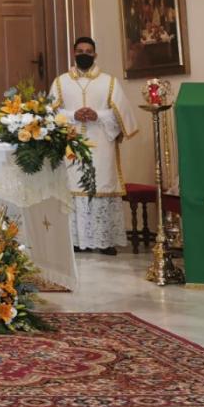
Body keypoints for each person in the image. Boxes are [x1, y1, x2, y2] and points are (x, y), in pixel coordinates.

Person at [49, 37, 138, 254]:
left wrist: (97, 114)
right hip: (71, 144)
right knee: (74, 188)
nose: (84, 55)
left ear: (95, 55)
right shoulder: (61, 82)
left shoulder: (109, 82)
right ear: (73, 53)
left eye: (89, 51)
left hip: (100, 143)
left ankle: (105, 240)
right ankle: (77, 241)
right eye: (80, 51)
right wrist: (73, 115)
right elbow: (49, 114)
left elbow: (122, 115)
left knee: (101, 186)